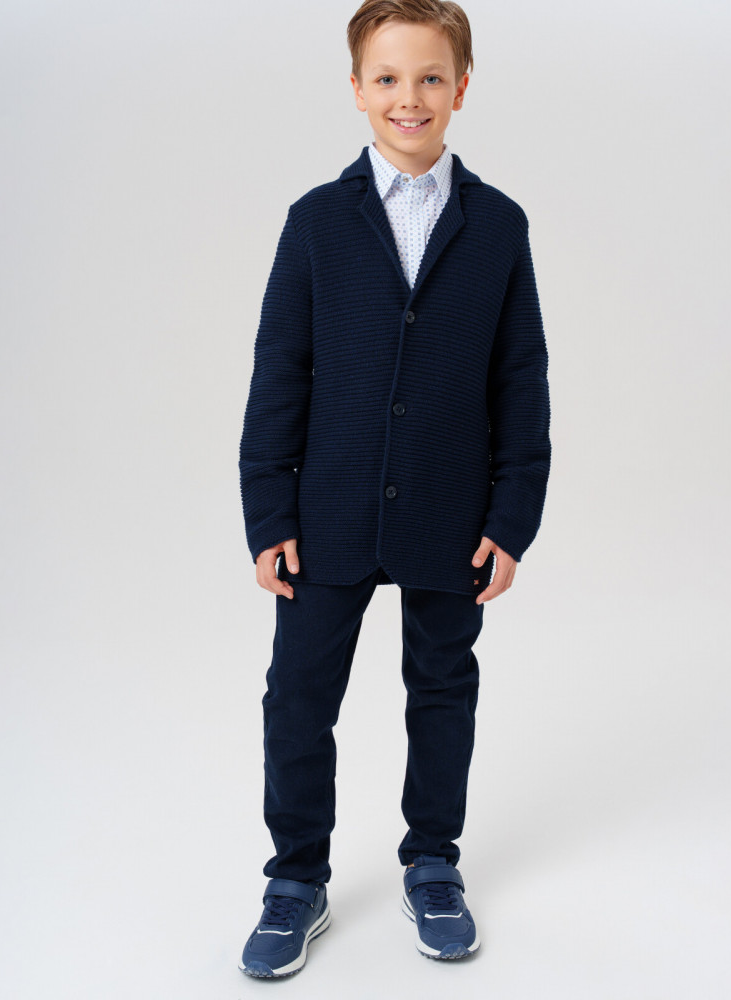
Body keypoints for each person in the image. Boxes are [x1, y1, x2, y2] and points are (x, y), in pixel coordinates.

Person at [237, 0, 551, 979]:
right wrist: (268, 513)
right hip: (327, 510)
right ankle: (295, 878)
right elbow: (280, 372)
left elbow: (521, 379)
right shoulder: (316, 222)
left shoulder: (497, 226)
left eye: (428, 78)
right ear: (356, 89)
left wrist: (511, 517)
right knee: (298, 698)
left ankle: (433, 863)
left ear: (461, 88)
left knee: (443, 689)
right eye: (386, 78)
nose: (407, 97)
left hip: (452, 512)